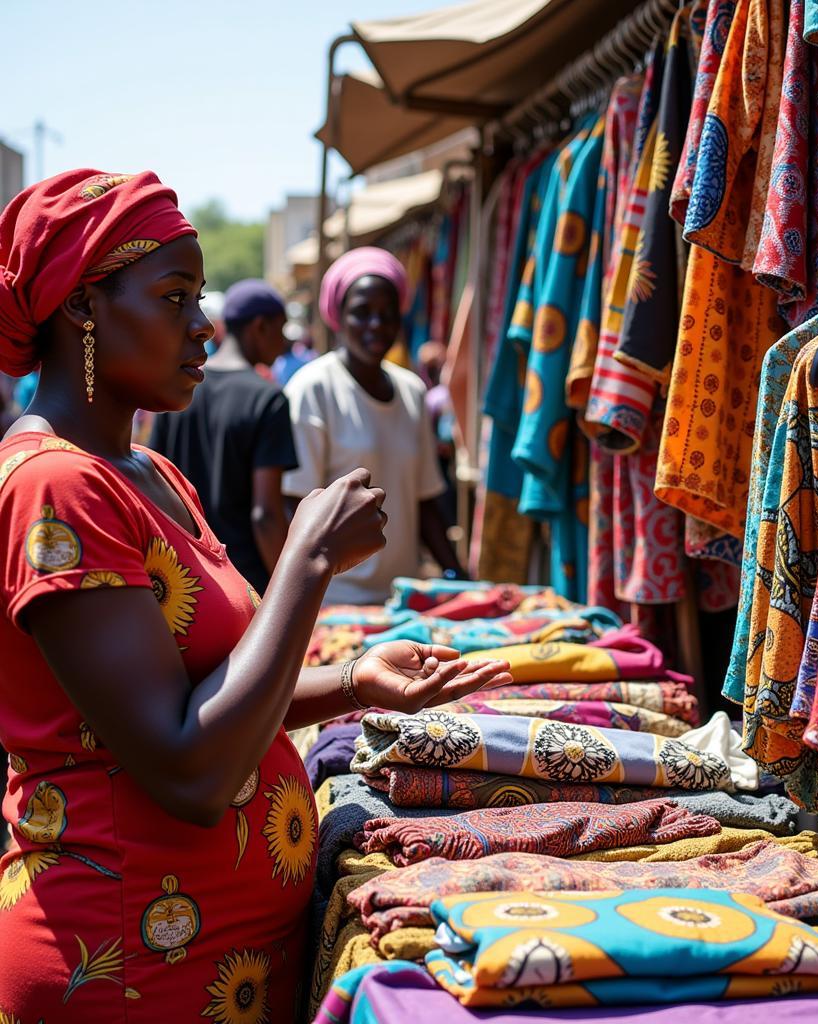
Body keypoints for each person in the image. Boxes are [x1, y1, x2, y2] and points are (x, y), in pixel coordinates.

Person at [0, 169, 511, 1021]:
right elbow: (187, 770)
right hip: (128, 965)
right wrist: (306, 561)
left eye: (199, 298)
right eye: (174, 297)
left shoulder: (148, 472)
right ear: (83, 305)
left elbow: (208, 690)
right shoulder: (55, 485)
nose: (203, 328)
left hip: (214, 958)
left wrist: (352, 682)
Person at [284, 247, 465, 605]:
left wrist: (456, 577)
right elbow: (293, 508)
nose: (376, 326)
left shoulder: (412, 391)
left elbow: (425, 502)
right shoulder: (313, 389)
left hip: (402, 600)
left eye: (387, 314)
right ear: (338, 316)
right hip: (334, 601)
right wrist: (298, 599)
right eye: (361, 313)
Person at [149, 278, 295, 595]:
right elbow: (266, 515)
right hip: (247, 581)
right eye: (281, 329)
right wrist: (289, 591)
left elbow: (153, 481)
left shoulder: (177, 389)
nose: (284, 342)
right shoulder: (268, 399)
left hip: (184, 577)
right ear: (260, 327)